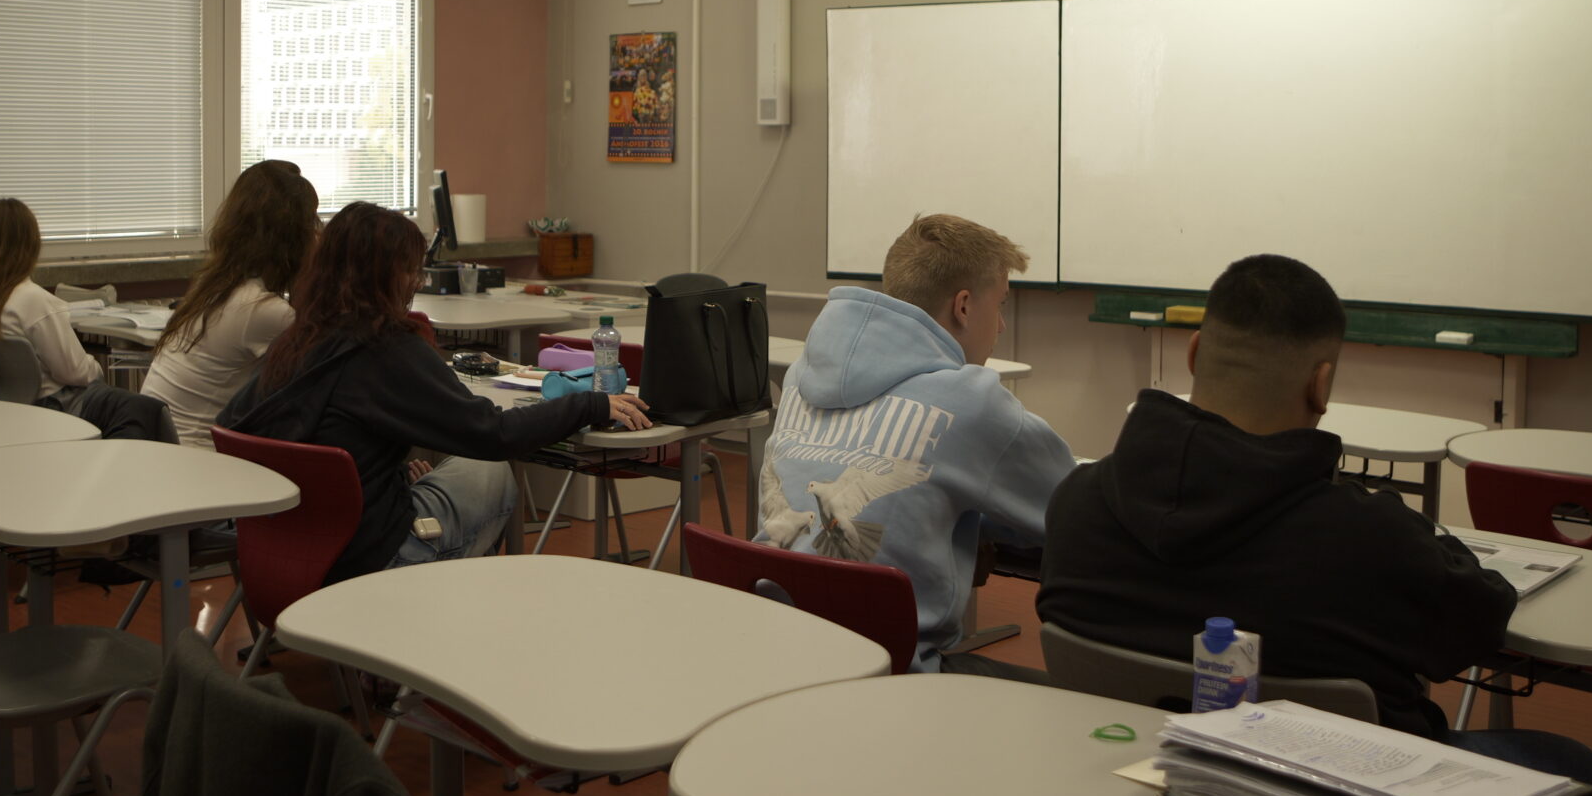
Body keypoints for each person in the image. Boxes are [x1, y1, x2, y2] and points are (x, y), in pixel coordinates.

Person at [1039, 253, 1592, 796]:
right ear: (1322, 383)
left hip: (1141, 794)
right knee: (1580, 778)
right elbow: (1479, 619)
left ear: (1194, 355)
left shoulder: (1076, 503)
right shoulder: (1367, 537)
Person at [217, 201, 650, 582]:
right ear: (387, 276)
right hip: (369, 562)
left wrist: (383, 475)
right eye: (412, 270)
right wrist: (589, 404)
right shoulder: (387, 348)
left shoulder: (295, 341)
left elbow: (264, 429)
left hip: (279, 557)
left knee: (453, 469)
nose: (418, 282)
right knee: (489, 472)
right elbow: (493, 434)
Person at [754, 214, 1074, 675]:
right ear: (964, 307)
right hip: (893, 678)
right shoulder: (973, 401)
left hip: (776, 660)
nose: (1002, 324)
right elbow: (1073, 509)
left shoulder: (803, 375)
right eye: (1000, 304)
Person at [144, 161, 317, 451]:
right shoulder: (264, 311)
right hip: (198, 455)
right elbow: (314, 382)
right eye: (312, 223)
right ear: (295, 238)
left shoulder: (214, 288)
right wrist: (310, 275)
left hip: (156, 446)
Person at [0, 198, 108, 403]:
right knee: (133, 406)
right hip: (54, 405)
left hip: (4, 406)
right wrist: (99, 370)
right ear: (30, 245)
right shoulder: (34, 300)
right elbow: (76, 372)